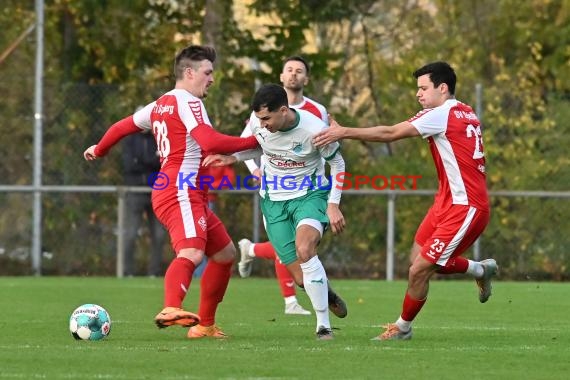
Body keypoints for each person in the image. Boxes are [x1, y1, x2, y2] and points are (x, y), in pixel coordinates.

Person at [83, 45, 259, 339]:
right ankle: (170, 307)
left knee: (226, 254)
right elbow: (211, 141)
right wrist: (257, 141)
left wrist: (99, 149)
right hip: (181, 189)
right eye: (208, 72)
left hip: (181, 190)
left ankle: (204, 326)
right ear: (189, 73)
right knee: (191, 252)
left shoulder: (160, 104)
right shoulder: (189, 102)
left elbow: (121, 126)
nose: (212, 78)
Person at [313, 61, 498, 341]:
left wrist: (343, 132)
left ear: (443, 88)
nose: (418, 94)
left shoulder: (441, 114)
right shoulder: (465, 110)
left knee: (419, 269)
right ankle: (480, 269)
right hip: (446, 202)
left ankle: (402, 328)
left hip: (466, 207)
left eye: (423, 88)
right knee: (417, 260)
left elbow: (390, 133)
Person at [204, 83, 347, 340]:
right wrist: (233, 158)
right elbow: (262, 145)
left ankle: (323, 326)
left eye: (267, 118)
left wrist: (333, 204)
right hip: (273, 200)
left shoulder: (314, 129)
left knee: (305, 249)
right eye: (259, 119)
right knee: (302, 279)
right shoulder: (260, 123)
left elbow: (337, 162)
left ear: (283, 111)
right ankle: (327, 293)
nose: (262, 124)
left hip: (309, 195)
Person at [237, 55, 328, 316]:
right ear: (281, 76)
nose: (294, 75)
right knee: (290, 248)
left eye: (299, 71)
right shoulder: (262, 110)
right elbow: (245, 145)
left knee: (305, 247)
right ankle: (291, 301)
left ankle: (252, 250)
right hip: (275, 189)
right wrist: (254, 170)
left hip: (307, 190)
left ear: (306, 79)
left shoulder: (316, 111)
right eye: (289, 70)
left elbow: (326, 149)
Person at [121, 129, 167, 277]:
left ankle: (154, 272)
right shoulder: (130, 140)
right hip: (136, 191)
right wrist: (151, 160)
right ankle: (128, 272)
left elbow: (163, 164)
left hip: (157, 192)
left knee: (159, 235)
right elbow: (129, 165)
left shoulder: (158, 138)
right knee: (131, 234)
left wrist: (141, 160)